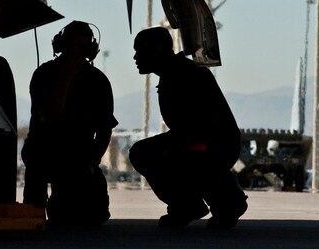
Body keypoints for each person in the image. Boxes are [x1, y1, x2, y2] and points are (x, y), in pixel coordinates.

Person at [128, 27, 248, 229]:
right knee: (145, 152)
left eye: (140, 50)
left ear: (157, 49)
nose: (135, 57)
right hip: (206, 141)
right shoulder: (176, 73)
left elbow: (202, 124)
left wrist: (177, 147)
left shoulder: (186, 74)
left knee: (154, 154)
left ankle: (224, 202)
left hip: (213, 145)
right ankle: (193, 203)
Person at [21, 21, 117, 226]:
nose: (74, 52)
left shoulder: (98, 81)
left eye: (80, 48)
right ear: (60, 46)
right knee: (33, 217)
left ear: (90, 51)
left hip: (79, 156)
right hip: (44, 151)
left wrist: (92, 163)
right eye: (69, 46)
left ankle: (64, 200)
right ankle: (36, 205)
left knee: (89, 218)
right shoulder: (44, 75)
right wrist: (65, 79)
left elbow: (104, 129)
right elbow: (49, 116)